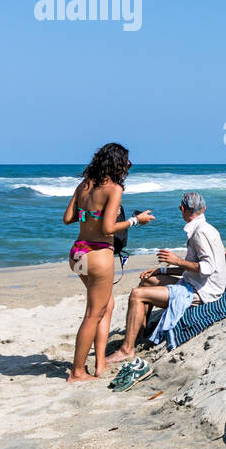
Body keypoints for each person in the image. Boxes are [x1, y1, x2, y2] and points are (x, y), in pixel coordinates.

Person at [63, 143, 155, 383]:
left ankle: (100, 363)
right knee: (93, 313)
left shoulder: (84, 186)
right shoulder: (113, 189)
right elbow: (107, 229)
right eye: (126, 163)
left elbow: (68, 218)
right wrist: (137, 220)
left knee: (107, 304)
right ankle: (77, 372)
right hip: (98, 255)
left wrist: (90, 213)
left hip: (78, 254)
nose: (128, 167)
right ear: (116, 164)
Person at [110, 192, 225, 364]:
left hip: (203, 292)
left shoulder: (200, 233)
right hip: (196, 282)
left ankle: (127, 350)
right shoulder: (204, 228)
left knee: (137, 294)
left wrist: (176, 260)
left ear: (182, 209)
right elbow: (194, 268)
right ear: (204, 209)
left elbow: (206, 269)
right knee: (147, 280)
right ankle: (139, 335)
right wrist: (161, 271)